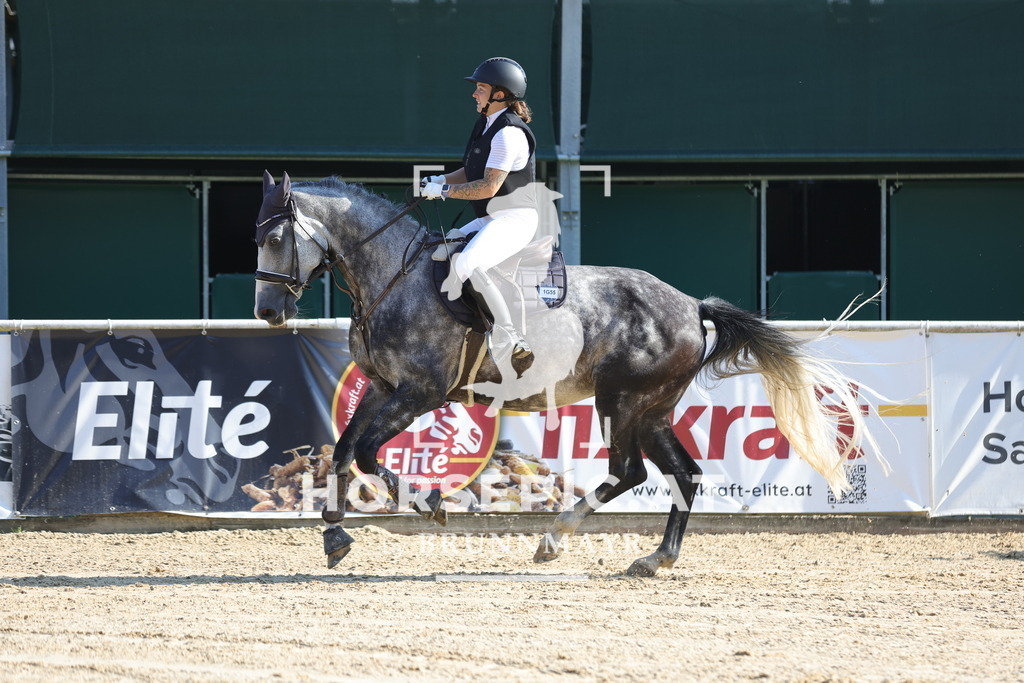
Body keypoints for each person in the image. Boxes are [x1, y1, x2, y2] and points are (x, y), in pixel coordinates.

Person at [421, 57, 538, 363]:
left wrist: (443, 192)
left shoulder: (508, 134)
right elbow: (470, 169)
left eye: (481, 88)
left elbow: (487, 187)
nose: (475, 94)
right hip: (490, 218)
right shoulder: (485, 125)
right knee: (439, 252)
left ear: (500, 94)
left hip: (516, 220)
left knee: (469, 263)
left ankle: (510, 335)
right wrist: (439, 179)